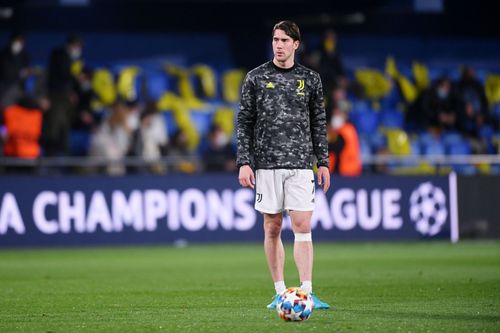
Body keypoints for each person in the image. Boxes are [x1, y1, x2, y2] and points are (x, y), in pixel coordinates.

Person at [237, 20, 331, 310]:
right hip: (266, 164)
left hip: (301, 164)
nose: (278, 45)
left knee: (302, 224)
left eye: (284, 40)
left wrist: (323, 162)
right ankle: (279, 291)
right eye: (275, 40)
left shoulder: (311, 79)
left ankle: (306, 291)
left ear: (296, 45)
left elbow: (319, 122)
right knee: (272, 227)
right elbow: (244, 122)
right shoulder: (255, 77)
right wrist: (244, 162)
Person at [42, 34, 83, 156]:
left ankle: (63, 155)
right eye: (76, 46)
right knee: (54, 124)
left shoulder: (74, 59)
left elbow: (71, 78)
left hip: (66, 97)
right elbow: (61, 74)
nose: (78, 49)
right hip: (55, 95)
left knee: (65, 125)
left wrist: (73, 91)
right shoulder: (58, 55)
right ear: (70, 44)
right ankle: (50, 155)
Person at [0, 32, 30, 110]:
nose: (20, 43)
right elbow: (5, 72)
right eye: (18, 41)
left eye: (22, 41)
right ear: (11, 41)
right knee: (5, 111)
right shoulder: (4, 54)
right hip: (5, 89)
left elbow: (26, 71)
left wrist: (26, 73)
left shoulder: (24, 55)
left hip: (19, 89)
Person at [327, 108, 362, 176]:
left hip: (346, 171)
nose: (335, 117)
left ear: (345, 116)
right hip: (349, 170)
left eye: (338, 114)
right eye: (334, 114)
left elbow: (335, 147)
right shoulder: (348, 129)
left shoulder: (345, 131)